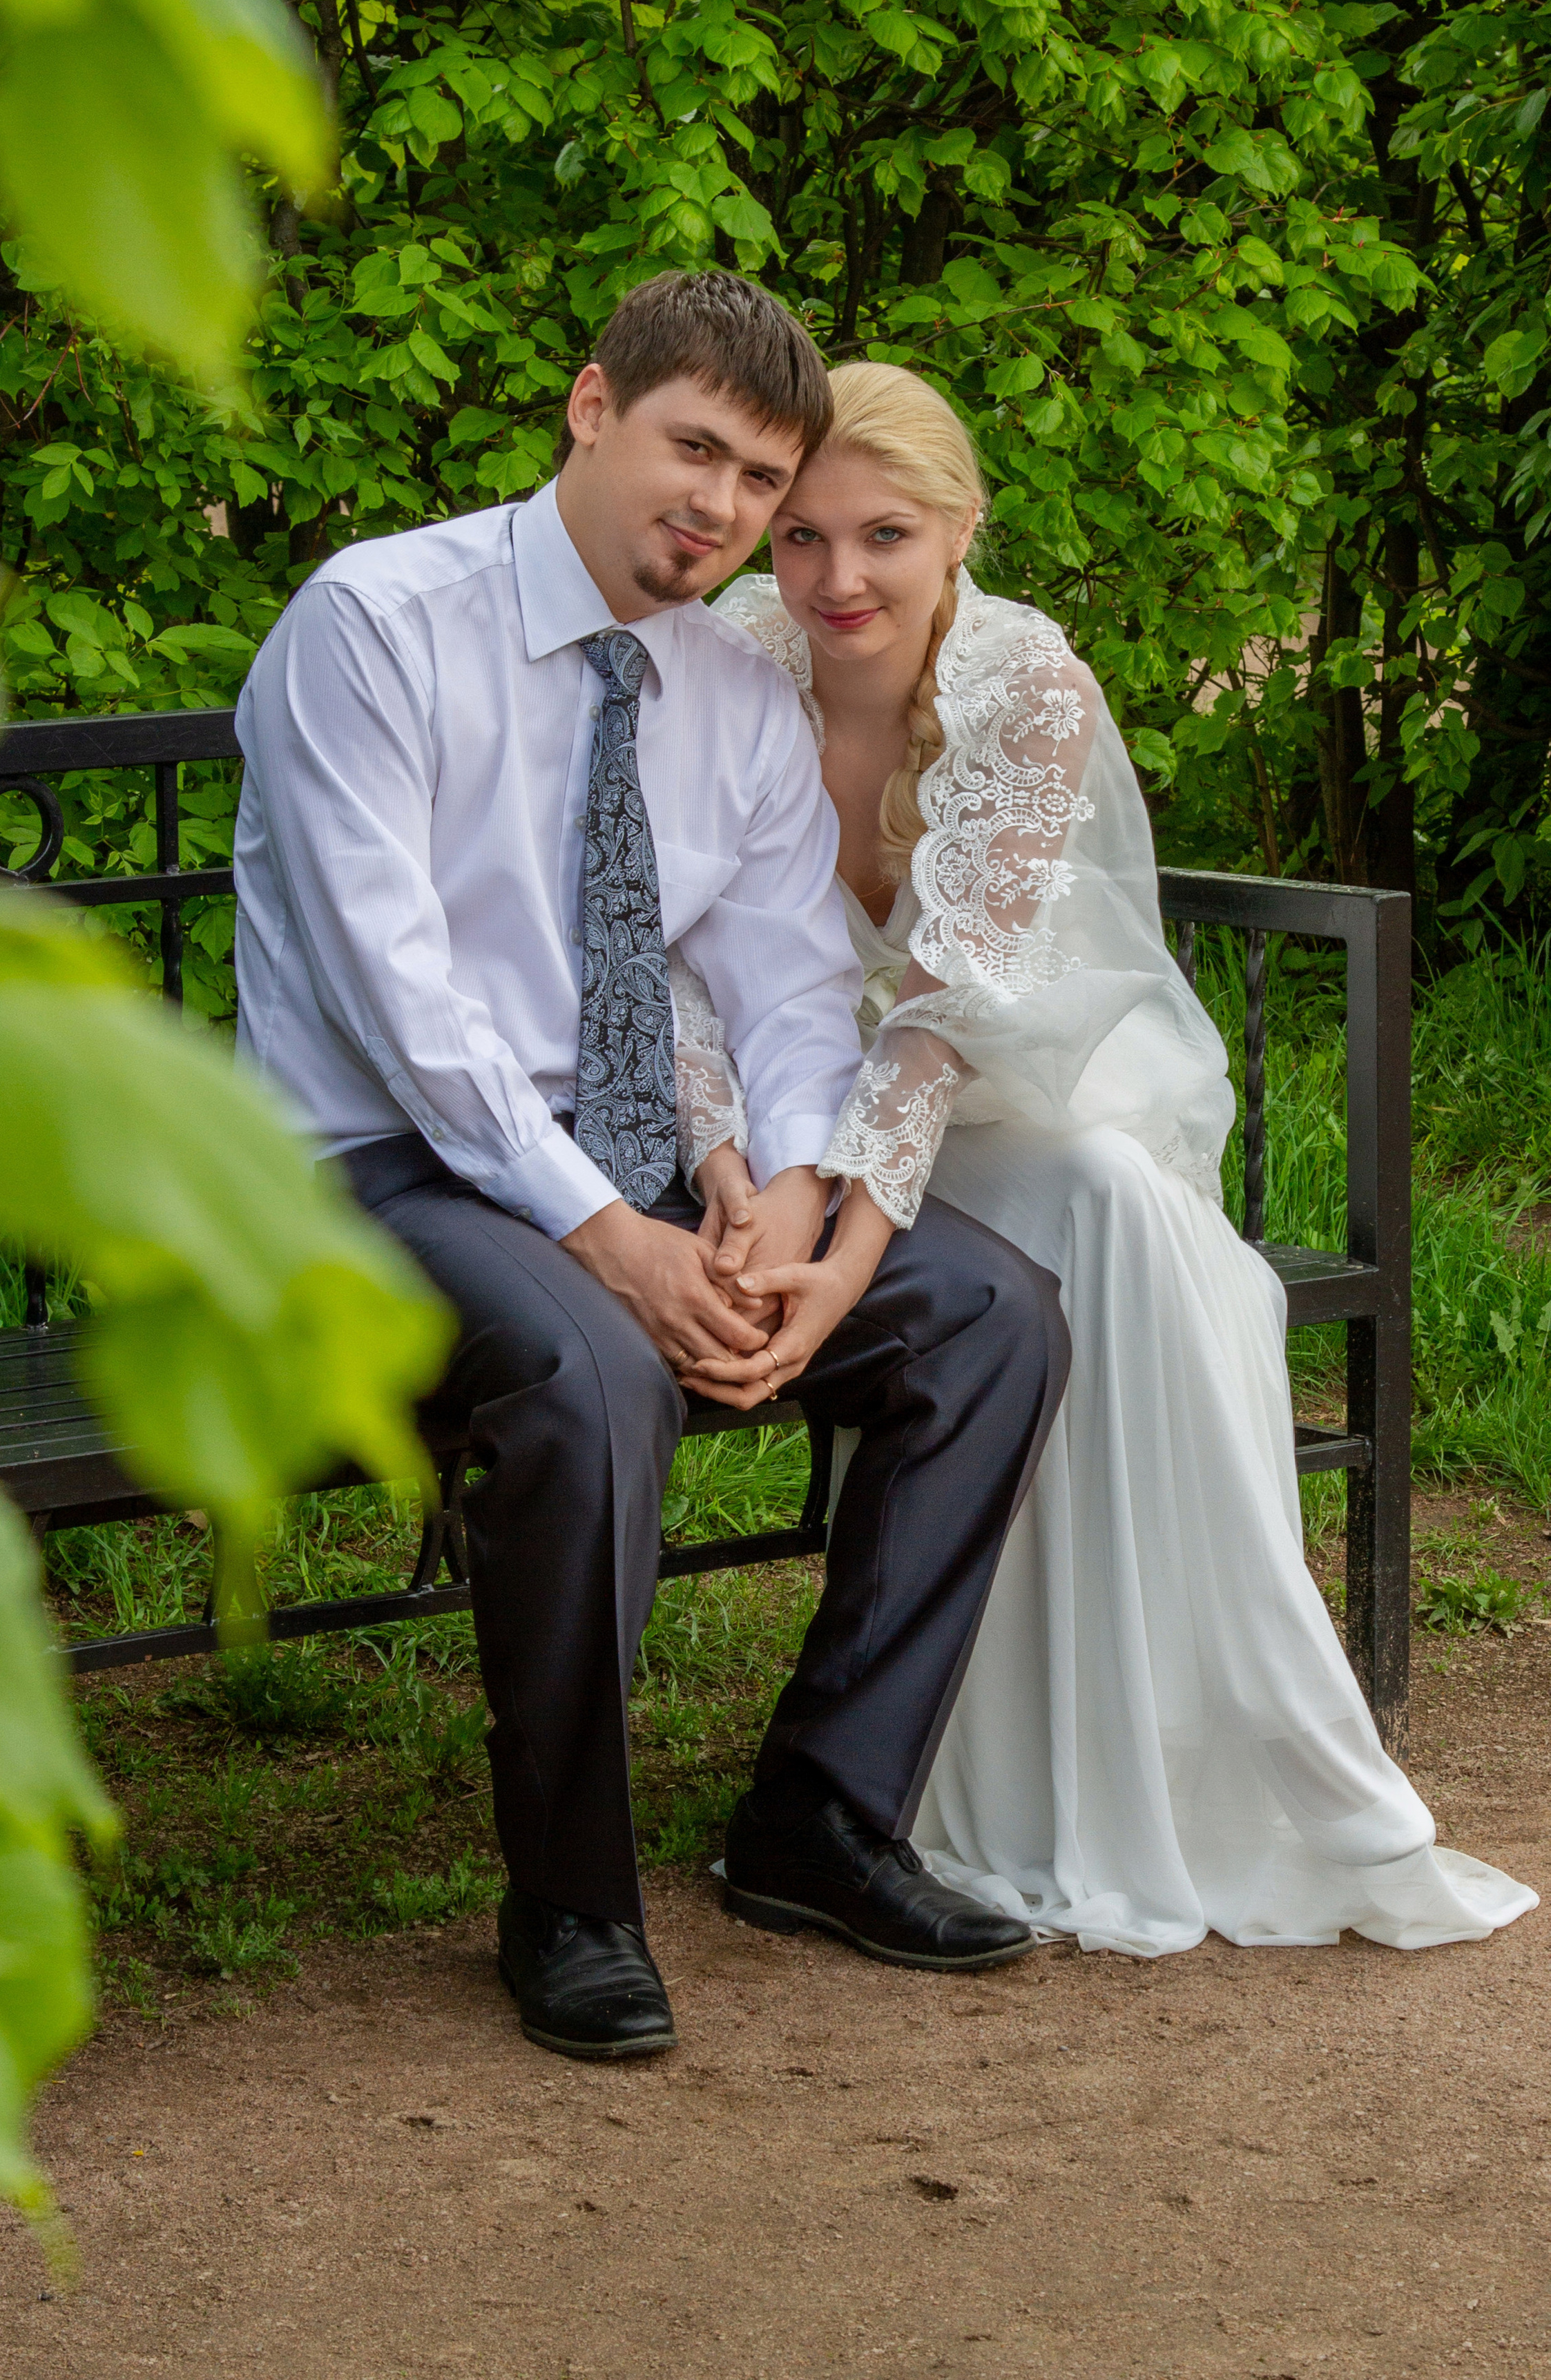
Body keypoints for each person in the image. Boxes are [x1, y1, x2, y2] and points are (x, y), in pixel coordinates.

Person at [231, 275, 1071, 2062]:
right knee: (596, 1365)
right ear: (592, 408)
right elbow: (408, 1011)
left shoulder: (730, 696)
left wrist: (775, 1198)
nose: (723, 505)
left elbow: (779, 982)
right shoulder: (376, 626)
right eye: (696, 446)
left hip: (621, 1173)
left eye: (763, 479)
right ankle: (574, 1901)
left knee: (991, 1314)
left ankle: (820, 1814)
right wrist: (621, 1239)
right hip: (366, 1173)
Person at [681, 360, 1536, 1956]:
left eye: (883, 535)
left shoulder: (1026, 685)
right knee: (1034, 1268)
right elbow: (681, 956)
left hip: (1013, 1078)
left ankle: (1178, 1743)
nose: (835, 580)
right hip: (789, 1103)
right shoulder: (723, 661)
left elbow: (945, 1015)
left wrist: (846, 1255)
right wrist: (756, 1179)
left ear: (961, 530)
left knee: (1117, 1210)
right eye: (796, 537)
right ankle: (950, 1772)